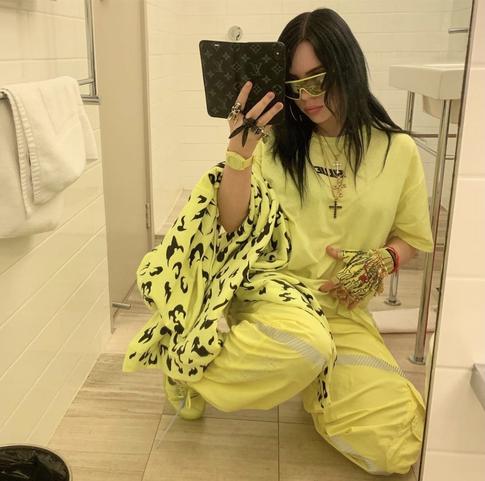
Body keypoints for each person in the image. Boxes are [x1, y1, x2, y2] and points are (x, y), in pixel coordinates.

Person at [125, 8, 433, 476]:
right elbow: (231, 225)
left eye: (317, 79)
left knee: (393, 447)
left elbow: (411, 237)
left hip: (342, 309)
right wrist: (238, 156)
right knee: (305, 343)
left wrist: (383, 260)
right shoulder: (273, 141)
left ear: (349, 66)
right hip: (273, 292)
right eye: (294, 84)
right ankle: (185, 365)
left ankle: (313, 379)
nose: (306, 97)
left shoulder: (397, 150)